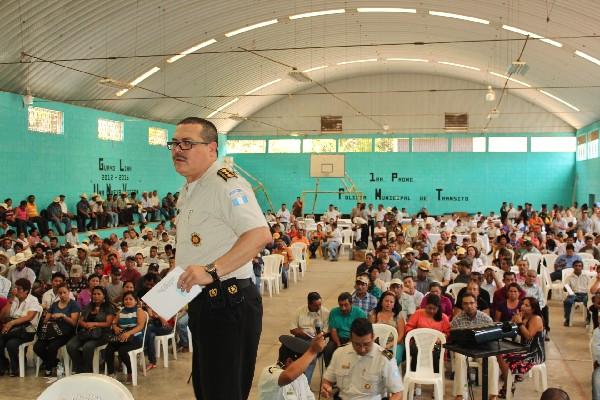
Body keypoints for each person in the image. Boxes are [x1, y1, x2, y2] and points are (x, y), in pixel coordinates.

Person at [172, 117, 271, 400]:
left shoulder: (226, 184)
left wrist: (211, 270)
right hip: (204, 302)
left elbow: (259, 234)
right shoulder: (193, 187)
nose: (178, 149)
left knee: (223, 393)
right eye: (175, 143)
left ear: (212, 149)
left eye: (188, 143)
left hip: (229, 302)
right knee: (207, 390)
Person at [321, 318, 403, 400]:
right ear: (351, 338)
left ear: (373, 337)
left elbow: (398, 393)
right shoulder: (339, 353)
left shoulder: (385, 358)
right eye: (357, 344)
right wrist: (326, 387)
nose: (362, 349)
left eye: (366, 344)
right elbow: (328, 380)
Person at [451, 292, 499, 400]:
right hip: (464, 350)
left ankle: (493, 395)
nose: (469, 306)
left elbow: (492, 337)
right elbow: (454, 340)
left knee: (492, 359)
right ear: (462, 305)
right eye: (466, 304)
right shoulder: (456, 320)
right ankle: (461, 395)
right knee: (459, 358)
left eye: (472, 303)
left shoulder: (486, 318)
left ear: (476, 304)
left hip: (482, 349)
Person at [498, 297, 545, 398]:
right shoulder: (523, 316)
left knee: (503, 357)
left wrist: (519, 323)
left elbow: (528, 336)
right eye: (523, 304)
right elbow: (510, 332)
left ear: (533, 309)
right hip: (524, 349)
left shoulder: (536, 318)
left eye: (527, 305)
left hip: (534, 353)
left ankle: (508, 386)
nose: (523, 306)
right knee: (500, 354)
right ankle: (509, 384)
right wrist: (513, 321)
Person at [258, 334, 325, 400]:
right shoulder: (269, 373)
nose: (305, 367)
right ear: (289, 361)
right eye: (303, 363)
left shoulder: (302, 377)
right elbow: (288, 376)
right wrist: (312, 351)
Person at [34, 283, 80, 376]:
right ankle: (55, 362)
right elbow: (46, 319)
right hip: (51, 331)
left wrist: (63, 316)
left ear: (68, 292)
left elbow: (74, 323)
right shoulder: (54, 305)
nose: (62, 295)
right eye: (60, 293)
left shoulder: (73, 304)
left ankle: (48, 367)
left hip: (66, 332)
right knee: (37, 347)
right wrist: (48, 317)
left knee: (52, 346)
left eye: (64, 292)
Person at [67, 286, 116, 373]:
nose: (96, 296)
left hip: (102, 333)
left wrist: (94, 324)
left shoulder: (109, 307)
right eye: (94, 294)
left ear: (104, 295)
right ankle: (80, 367)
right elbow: (80, 320)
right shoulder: (89, 306)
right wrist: (85, 325)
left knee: (87, 346)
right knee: (70, 345)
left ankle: (87, 371)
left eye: (98, 294)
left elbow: (108, 323)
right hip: (86, 332)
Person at [0, 278, 42, 376]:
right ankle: (2, 365)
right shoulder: (13, 299)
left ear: (26, 291)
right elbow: (2, 318)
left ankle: (16, 368)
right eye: (15, 288)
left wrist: (12, 323)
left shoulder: (33, 300)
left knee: (11, 344)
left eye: (19, 289)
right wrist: (9, 302)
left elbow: (29, 317)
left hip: (26, 331)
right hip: (12, 330)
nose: (16, 291)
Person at [105, 292, 147, 383]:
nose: (128, 301)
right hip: (122, 337)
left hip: (136, 338)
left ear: (136, 301)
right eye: (126, 299)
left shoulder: (139, 311)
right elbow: (114, 323)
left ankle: (130, 372)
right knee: (109, 348)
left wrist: (129, 333)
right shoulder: (121, 311)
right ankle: (111, 373)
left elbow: (140, 326)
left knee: (122, 350)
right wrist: (115, 327)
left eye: (130, 299)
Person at [289, 292, 330, 383]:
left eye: (320, 304)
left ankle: (305, 383)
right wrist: (302, 332)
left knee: (311, 355)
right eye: (316, 305)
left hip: (318, 340)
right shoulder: (299, 311)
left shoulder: (326, 312)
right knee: (287, 350)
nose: (319, 307)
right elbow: (292, 329)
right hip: (301, 338)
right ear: (309, 304)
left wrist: (319, 335)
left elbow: (327, 330)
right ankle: (293, 380)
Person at [405, 294, 450, 373]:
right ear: (425, 306)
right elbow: (408, 328)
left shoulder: (444, 317)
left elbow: (447, 332)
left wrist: (440, 339)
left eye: (434, 309)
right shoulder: (418, 313)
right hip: (418, 342)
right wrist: (417, 337)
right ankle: (415, 374)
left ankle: (435, 376)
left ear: (438, 308)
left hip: (436, 344)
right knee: (416, 351)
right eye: (429, 308)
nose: (431, 311)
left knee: (435, 354)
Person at [323, 292, 366, 366]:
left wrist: (348, 343)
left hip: (354, 339)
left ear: (351, 303)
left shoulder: (360, 313)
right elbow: (333, 330)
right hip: (337, 338)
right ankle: (330, 372)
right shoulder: (334, 312)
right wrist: (339, 344)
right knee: (328, 350)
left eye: (346, 305)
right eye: (341, 305)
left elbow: (360, 332)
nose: (343, 308)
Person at [368, 291, 406, 364]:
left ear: (394, 304)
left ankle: (390, 374)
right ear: (381, 301)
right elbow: (369, 331)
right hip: (376, 344)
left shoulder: (398, 316)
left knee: (389, 360)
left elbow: (401, 335)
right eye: (386, 301)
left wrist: (389, 345)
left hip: (394, 344)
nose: (388, 303)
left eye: (391, 302)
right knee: (370, 359)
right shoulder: (373, 314)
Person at [563, 260, 590, 326]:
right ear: (573, 267)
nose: (578, 267)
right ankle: (567, 319)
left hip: (585, 294)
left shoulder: (586, 277)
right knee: (567, 301)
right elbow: (566, 287)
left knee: (588, 301)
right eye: (576, 266)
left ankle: (588, 318)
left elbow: (590, 287)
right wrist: (567, 289)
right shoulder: (569, 277)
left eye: (579, 266)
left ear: (582, 267)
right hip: (574, 294)